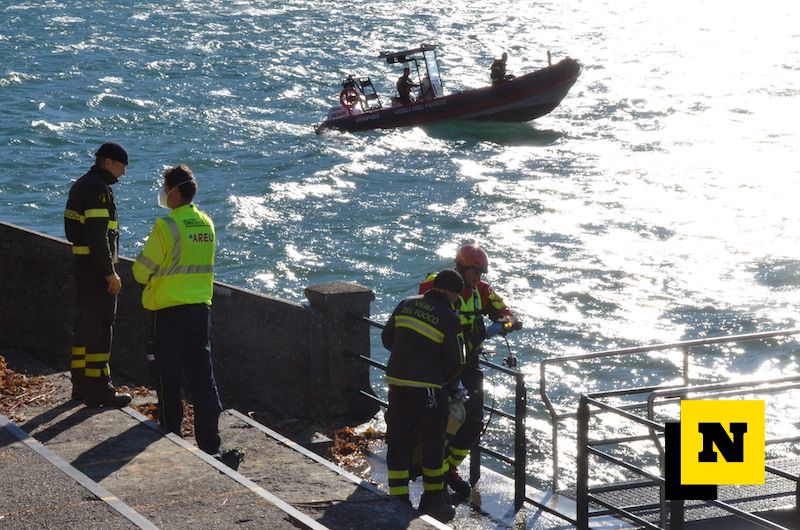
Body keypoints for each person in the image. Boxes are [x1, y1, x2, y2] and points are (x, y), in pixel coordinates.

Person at [132, 164, 242, 469]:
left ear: (176, 191)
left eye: (166, 188)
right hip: (199, 309)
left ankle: (171, 429)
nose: (163, 194)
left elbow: (141, 271)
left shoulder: (167, 226)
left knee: (168, 373)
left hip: (167, 310)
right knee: (202, 377)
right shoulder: (206, 223)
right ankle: (210, 442)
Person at [419, 244, 521, 498]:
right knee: (442, 419)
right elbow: (423, 300)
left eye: (480, 272)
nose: (477, 277)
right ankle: (433, 473)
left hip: (469, 363)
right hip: (440, 363)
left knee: (473, 422)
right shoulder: (436, 283)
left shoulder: (483, 292)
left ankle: (447, 469)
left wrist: (503, 324)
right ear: (460, 267)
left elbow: (507, 313)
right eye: (473, 271)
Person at [381, 269, 466, 523]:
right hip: (427, 388)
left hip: (397, 383)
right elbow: (458, 361)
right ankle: (433, 500)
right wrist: (441, 380)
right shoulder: (449, 318)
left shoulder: (406, 304)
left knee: (398, 439)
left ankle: (398, 497)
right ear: (451, 292)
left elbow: (387, 339)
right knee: (433, 443)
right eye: (456, 296)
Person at [64, 142, 132, 408]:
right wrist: (110, 273)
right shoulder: (98, 190)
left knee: (84, 326)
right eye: (121, 167)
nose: (123, 174)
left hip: (82, 266)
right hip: (95, 270)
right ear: (108, 162)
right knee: (102, 327)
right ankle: (100, 387)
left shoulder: (82, 184)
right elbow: (98, 235)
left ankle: (80, 384)